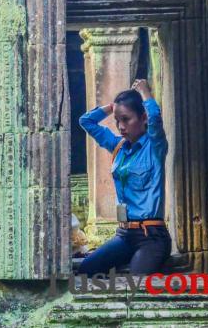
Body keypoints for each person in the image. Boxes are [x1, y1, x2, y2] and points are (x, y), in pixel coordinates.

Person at [78, 79, 171, 275]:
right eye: (117, 121)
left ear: (143, 117)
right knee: (86, 270)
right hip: (124, 235)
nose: (120, 126)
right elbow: (86, 122)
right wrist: (113, 107)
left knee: (136, 283)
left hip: (151, 236)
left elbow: (155, 118)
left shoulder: (155, 146)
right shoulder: (118, 146)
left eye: (126, 119)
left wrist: (145, 93)